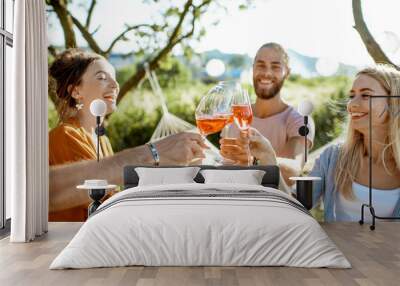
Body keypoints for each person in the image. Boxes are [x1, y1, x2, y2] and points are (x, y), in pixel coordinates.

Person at [222, 64, 400, 221]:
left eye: (366, 95)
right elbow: (295, 210)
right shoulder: (333, 158)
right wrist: (269, 159)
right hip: (339, 258)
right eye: (352, 95)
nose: (352, 104)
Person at [49, 48, 207, 221]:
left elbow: (113, 193)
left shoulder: (102, 140)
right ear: (76, 91)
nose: (115, 85)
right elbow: (103, 203)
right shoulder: (66, 135)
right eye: (102, 77)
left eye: (114, 78)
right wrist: (153, 155)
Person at [221, 43, 314, 184]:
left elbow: (293, 171)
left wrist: (253, 160)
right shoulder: (235, 116)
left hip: (272, 203)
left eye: (275, 66)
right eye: (261, 65)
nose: (267, 73)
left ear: (287, 72)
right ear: (252, 69)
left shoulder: (299, 120)